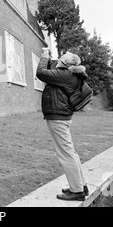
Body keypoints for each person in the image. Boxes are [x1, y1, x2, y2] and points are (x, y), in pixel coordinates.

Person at [36, 49, 88, 201]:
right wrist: (50, 57)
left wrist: (45, 56)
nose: (59, 58)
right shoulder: (68, 74)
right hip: (62, 117)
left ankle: (77, 190)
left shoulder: (65, 75)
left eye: (62, 57)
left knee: (66, 154)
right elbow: (51, 70)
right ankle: (81, 185)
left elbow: (41, 73)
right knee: (71, 152)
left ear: (66, 63)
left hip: (58, 118)